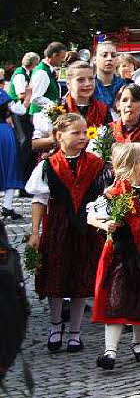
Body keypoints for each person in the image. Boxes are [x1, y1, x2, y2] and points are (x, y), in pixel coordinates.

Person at [26, 113, 107, 355]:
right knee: (56, 275)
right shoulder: (48, 165)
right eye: (76, 133)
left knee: (82, 276)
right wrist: (35, 232)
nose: (83, 137)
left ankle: (75, 331)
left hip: (86, 226)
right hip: (58, 226)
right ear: (59, 136)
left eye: (85, 132)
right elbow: (39, 200)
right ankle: (55, 326)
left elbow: (103, 198)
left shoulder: (96, 164)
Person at [86, 142, 140, 370]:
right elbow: (91, 215)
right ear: (134, 165)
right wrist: (105, 225)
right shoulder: (113, 193)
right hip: (121, 252)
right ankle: (110, 350)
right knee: (117, 298)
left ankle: (139, 343)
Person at [32, 61, 112, 154]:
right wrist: (56, 139)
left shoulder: (103, 109)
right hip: (61, 163)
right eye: (80, 80)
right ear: (68, 84)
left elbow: (111, 139)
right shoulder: (55, 109)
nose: (87, 84)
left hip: (93, 164)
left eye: (91, 79)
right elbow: (34, 143)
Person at [0, 91, 24, 219]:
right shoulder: (3, 95)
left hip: (4, 131)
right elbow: (20, 110)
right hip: (4, 133)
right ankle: (7, 205)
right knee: (10, 166)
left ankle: (8, 206)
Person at [27, 42, 68, 116]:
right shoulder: (42, 72)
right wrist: (54, 105)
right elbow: (36, 98)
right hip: (40, 117)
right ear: (54, 55)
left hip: (44, 115)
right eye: (62, 58)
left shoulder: (47, 70)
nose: (63, 61)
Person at [92, 41, 125, 108]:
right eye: (104, 55)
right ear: (95, 60)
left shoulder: (125, 86)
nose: (109, 59)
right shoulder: (88, 86)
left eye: (113, 56)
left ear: (117, 60)